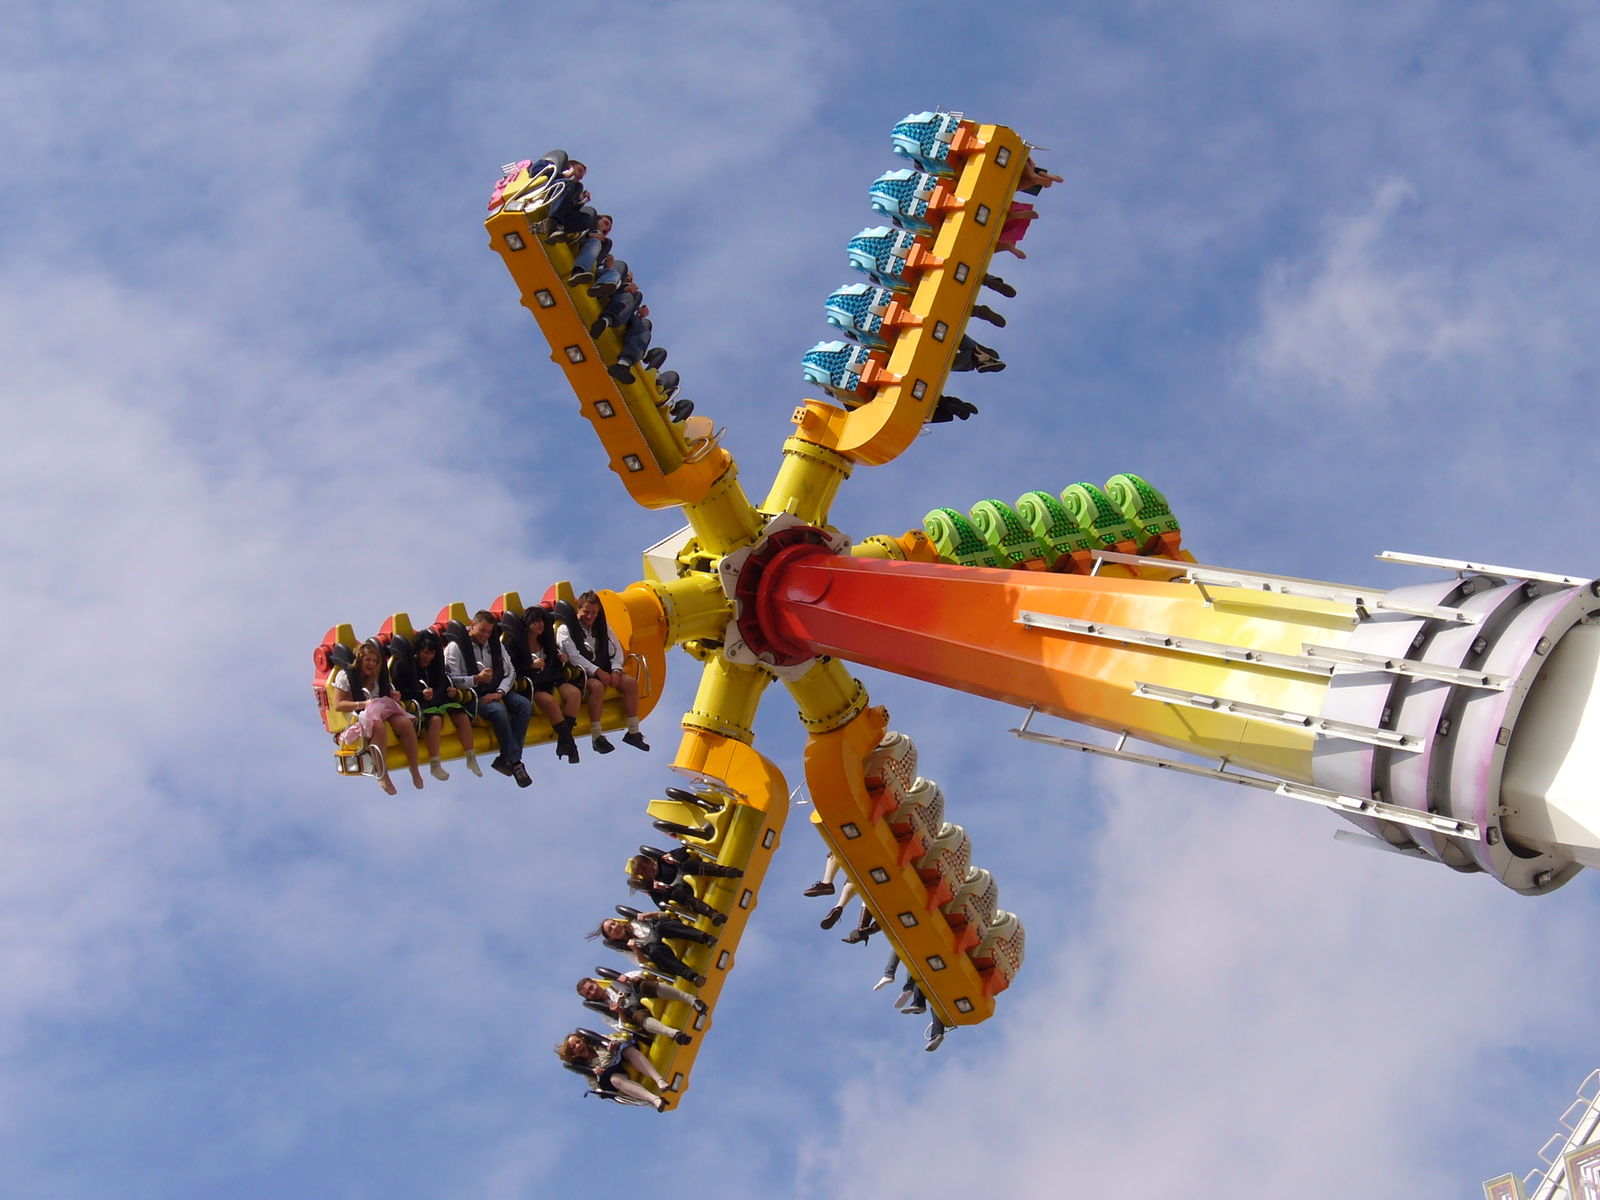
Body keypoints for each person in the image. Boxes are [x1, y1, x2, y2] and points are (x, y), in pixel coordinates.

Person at [444, 610, 532, 787]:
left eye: (488, 632)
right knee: (498, 711)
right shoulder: (455, 647)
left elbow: (511, 672)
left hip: (495, 690)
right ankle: (515, 762)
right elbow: (451, 679)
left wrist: (500, 692)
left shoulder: (495, 645)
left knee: (524, 705)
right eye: (482, 630)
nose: (485, 635)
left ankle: (507, 758)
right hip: (471, 695)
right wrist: (476, 679)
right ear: (472, 625)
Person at [329, 640, 424, 795]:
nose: (371, 664)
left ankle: (414, 770)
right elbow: (338, 705)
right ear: (360, 660)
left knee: (405, 723)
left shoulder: (376, 676)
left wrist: (394, 695)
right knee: (378, 726)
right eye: (368, 660)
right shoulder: (345, 676)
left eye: (374, 661)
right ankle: (382, 775)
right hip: (355, 718)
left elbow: (382, 696)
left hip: (379, 711)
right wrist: (362, 704)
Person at [557, 591, 647, 752]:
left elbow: (615, 647)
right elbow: (574, 656)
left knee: (630, 683)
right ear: (578, 609)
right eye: (586, 612)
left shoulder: (602, 626)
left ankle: (633, 732)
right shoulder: (565, 629)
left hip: (604, 667)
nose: (590, 616)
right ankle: (597, 736)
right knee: (597, 687)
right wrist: (598, 671)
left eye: (594, 613)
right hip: (580, 673)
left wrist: (616, 670)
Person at [392, 629, 482, 780]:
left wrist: (451, 690)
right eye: (425, 653)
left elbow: (443, 681)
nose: (428, 657)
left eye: (432, 653)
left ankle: (471, 757)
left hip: (439, 699)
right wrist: (420, 694)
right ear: (417, 651)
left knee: (462, 716)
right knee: (435, 720)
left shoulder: (435, 665)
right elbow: (400, 690)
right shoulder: (403, 666)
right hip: (419, 704)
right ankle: (435, 765)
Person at [505, 608, 583, 763]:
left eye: (541, 621)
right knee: (550, 701)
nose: (539, 624)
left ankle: (563, 742)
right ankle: (571, 745)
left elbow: (555, 663)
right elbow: (510, 669)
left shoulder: (546, 640)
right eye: (535, 621)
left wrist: (562, 658)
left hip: (551, 679)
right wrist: (530, 665)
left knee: (574, 694)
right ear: (526, 624)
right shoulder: (514, 644)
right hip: (532, 685)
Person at [627, 844, 742, 926]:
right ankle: (712, 914)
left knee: (686, 865)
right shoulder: (654, 889)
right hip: (685, 892)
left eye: (645, 868)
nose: (647, 872)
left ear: (649, 862)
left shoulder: (663, 861)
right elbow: (665, 907)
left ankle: (727, 871)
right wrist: (663, 890)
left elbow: (685, 850)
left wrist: (673, 856)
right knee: (675, 894)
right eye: (643, 873)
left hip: (692, 874)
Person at [556, 1029, 670, 1110]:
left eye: (578, 1042)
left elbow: (621, 1038)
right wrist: (599, 1075)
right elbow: (598, 1090)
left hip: (621, 1058)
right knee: (615, 1079)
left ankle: (659, 1080)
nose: (578, 1046)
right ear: (573, 1054)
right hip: (614, 1073)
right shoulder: (587, 1068)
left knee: (627, 1050)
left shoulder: (598, 1043)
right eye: (573, 1047)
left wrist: (613, 1044)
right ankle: (654, 1099)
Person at [590, 912, 714, 986]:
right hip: (662, 953)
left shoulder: (635, 922)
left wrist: (648, 915)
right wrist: (636, 949)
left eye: (613, 923)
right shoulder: (626, 949)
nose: (614, 927)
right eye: (610, 930)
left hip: (667, 934)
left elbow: (665, 915)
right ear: (611, 938)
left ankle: (705, 938)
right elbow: (644, 964)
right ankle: (693, 976)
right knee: (655, 952)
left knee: (661, 926)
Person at [577, 972, 702, 1044]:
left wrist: (632, 980)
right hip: (636, 1012)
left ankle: (692, 999)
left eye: (591, 988)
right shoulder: (605, 1015)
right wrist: (620, 1012)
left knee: (643, 985)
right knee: (637, 1017)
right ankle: (674, 1034)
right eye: (588, 994)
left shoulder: (614, 983)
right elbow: (623, 1028)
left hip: (641, 995)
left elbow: (639, 974)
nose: (592, 992)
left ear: (596, 983)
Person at [567, 214, 613, 286]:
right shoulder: (584, 224)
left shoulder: (604, 245)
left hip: (589, 267)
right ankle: (578, 271)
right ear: (597, 220)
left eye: (609, 229)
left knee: (613, 273)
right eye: (606, 223)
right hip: (576, 245)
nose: (607, 228)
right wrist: (589, 235)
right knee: (595, 242)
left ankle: (599, 288)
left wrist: (607, 267)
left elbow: (596, 265)